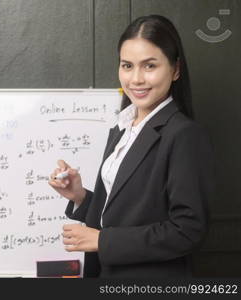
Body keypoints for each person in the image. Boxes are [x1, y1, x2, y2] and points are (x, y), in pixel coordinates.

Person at [48, 15, 215, 278]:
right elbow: (123, 214)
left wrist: (102, 241)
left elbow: (188, 230)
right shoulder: (122, 128)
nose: (136, 79)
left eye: (149, 66)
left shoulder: (184, 135)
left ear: (175, 70)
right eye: (127, 65)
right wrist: (80, 197)